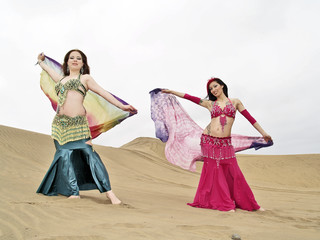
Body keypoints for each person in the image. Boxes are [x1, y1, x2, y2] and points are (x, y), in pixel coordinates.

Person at [36, 49, 137, 204]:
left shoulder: (86, 78)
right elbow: (49, 70)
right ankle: (73, 192)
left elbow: (103, 93)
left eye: (79, 58)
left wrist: (122, 106)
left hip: (79, 125)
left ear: (83, 63)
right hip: (59, 126)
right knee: (65, 158)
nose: (75, 60)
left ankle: (109, 193)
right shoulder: (61, 79)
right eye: (72, 58)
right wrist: (42, 61)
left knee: (90, 155)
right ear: (67, 62)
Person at [161, 77, 272, 212]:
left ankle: (249, 204)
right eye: (211, 89)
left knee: (234, 172)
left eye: (215, 86)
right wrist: (172, 91)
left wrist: (263, 133)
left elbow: (250, 118)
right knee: (216, 171)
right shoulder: (210, 104)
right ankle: (225, 204)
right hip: (209, 141)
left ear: (222, 86)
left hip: (225, 143)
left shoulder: (235, 102)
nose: (213, 90)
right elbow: (191, 98)